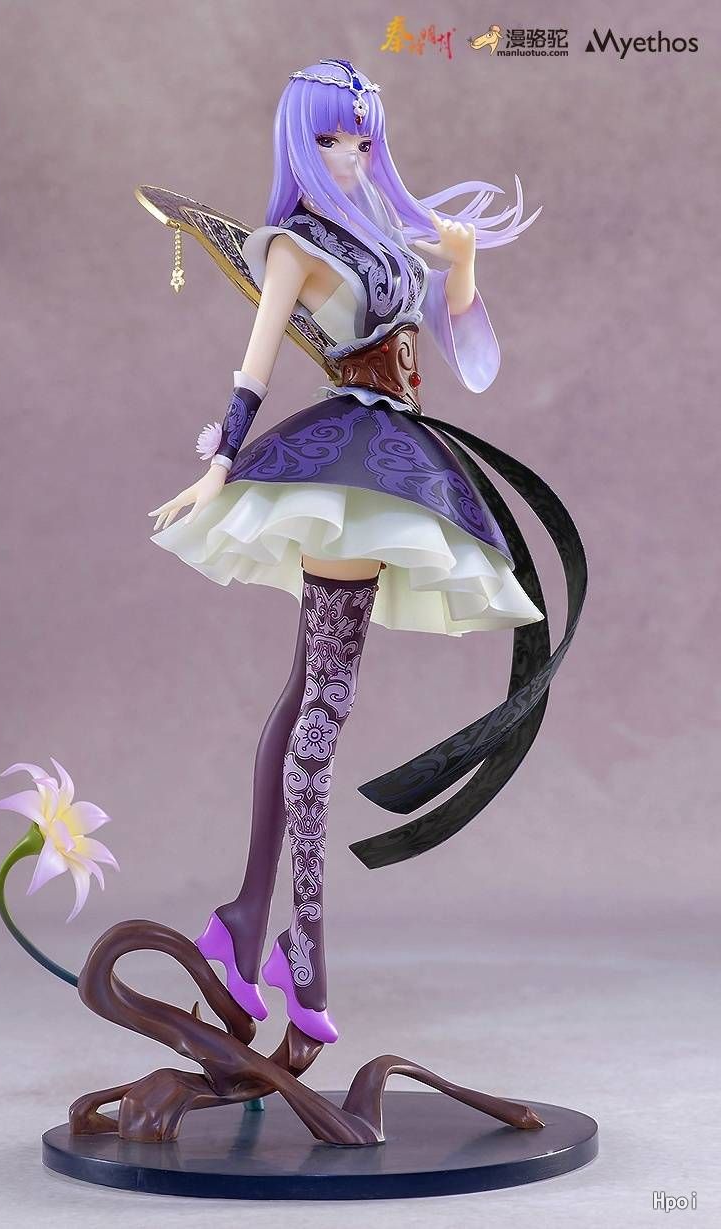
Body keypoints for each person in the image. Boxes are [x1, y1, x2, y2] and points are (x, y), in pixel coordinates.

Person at [147, 59, 580, 1044]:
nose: (348, 154)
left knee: (308, 686)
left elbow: (464, 360)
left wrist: (462, 271)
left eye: (360, 138)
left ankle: (244, 920)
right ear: (299, 142)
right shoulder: (293, 246)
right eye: (330, 138)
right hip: (347, 469)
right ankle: (301, 945)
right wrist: (219, 461)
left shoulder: (386, 236)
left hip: (394, 452)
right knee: (325, 703)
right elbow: (254, 365)